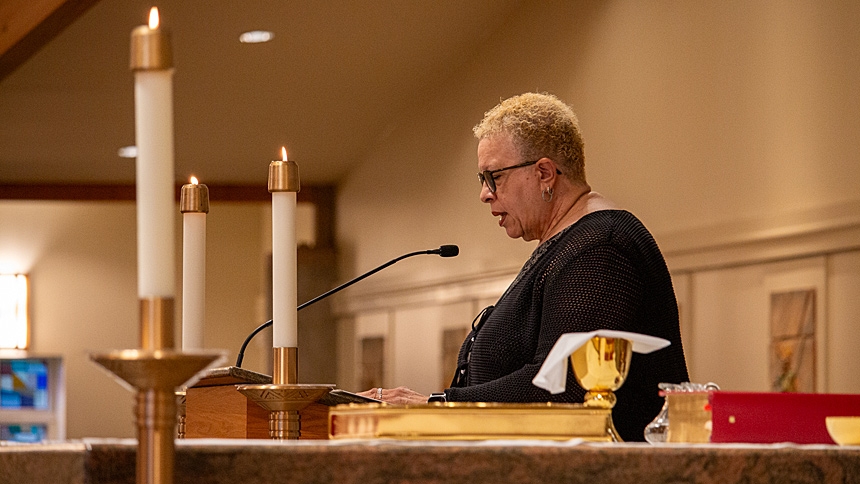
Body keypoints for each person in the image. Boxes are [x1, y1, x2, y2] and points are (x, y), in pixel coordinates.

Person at [358, 92, 689, 442]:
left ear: (544, 173)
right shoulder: (568, 243)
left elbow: (564, 390)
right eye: (482, 180)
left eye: (494, 177)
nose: (485, 194)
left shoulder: (600, 247)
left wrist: (435, 406)